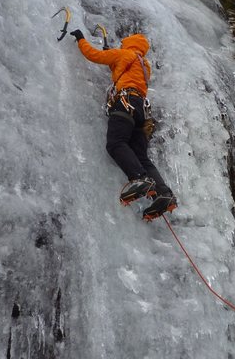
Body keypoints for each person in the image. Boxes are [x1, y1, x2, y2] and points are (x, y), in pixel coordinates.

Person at [69, 27, 177, 220]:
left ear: (128, 44)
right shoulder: (144, 64)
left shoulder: (123, 54)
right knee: (141, 156)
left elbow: (94, 55)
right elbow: (120, 70)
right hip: (142, 111)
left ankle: (139, 178)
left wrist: (81, 39)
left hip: (125, 103)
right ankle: (164, 194)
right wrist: (112, 55)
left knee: (116, 143)